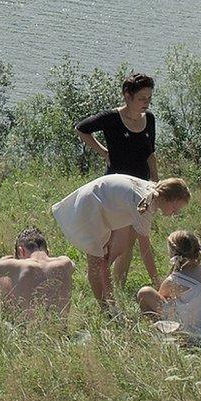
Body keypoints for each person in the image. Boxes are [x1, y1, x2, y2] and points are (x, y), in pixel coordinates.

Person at [52, 174, 190, 309]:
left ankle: (111, 303)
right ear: (171, 199)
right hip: (91, 206)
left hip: (102, 204)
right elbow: (145, 251)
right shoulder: (145, 203)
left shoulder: (151, 193)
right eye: (176, 208)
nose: (175, 213)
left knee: (106, 258)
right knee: (96, 263)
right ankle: (105, 309)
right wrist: (158, 285)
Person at [75, 72, 158, 285]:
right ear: (127, 96)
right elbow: (82, 129)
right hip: (114, 190)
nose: (146, 103)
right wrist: (104, 152)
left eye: (149, 98)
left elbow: (150, 153)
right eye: (142, 98)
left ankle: (118, 284)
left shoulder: (149, 119)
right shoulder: (112, 118)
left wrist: (155, 184)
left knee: (129, 241)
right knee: (113, 239)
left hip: (141, 189)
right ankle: (99, 278)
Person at [0, 227, 75, 319]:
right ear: (47, 251)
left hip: (26, 334)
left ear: (21, 251)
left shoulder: (16, 266)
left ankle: (2, 318)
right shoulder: (66, 263)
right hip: (59, 335)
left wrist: (1, 262)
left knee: (2, 278)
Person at [136, 230, 201, 330]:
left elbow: (161, 298)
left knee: (145, 292)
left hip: (196, 325)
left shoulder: (175, 280)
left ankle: (159, 329)